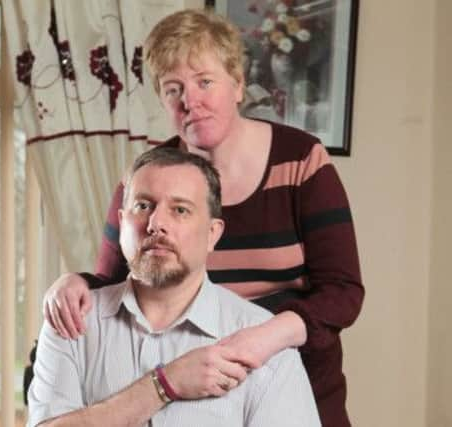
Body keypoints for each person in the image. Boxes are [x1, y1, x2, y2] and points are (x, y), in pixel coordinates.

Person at [43, 8, 363, 427]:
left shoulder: (301, 162)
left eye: (204, 82)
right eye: (173, 89)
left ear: (238, 85)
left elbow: (342, 292)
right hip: (189, 384)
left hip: (293, 375)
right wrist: (73, 283)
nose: (189, 101)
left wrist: (264, 338)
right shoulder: (146, 179)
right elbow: (117, 280)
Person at [28, 148, 321, 427]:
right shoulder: (71, 322)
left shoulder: (267, 346)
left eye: (180, 210)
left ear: (212, 233)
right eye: (143, 206)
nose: (156, 224)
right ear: (121, 223)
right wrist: (164, 385)